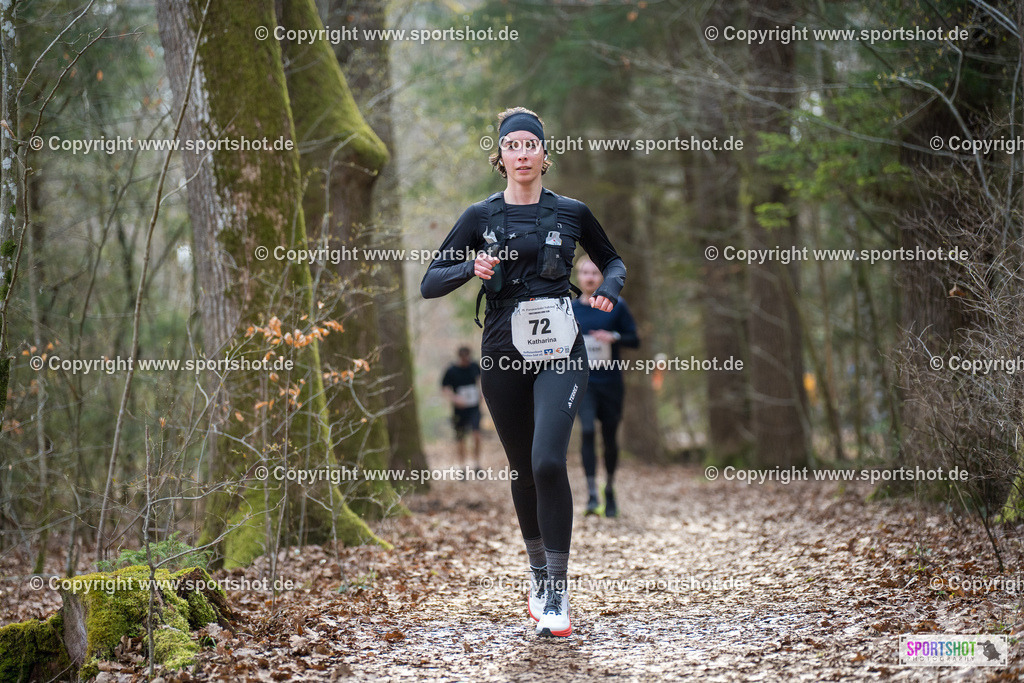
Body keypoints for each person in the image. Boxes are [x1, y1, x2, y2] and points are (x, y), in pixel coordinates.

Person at [421, 107, 626, 638]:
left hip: (560, 348)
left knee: (547, 461)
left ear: (544, 153)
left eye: (530, 144)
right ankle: (537, 573)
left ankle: (556, 591)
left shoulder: (572, 212)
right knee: (522, 469)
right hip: (501, 351)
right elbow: (430, 280)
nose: (522, 153)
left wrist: (606, 291)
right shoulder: (478, 216)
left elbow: (614, 260)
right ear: (502, 156)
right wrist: (471, 267)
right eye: (512, 145)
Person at [572, 256, 639, 518]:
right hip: (583, 383)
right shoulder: (570, 309)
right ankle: (591, 493)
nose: (589, 277)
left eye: (595, 273)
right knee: (587, 431)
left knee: (610, 438)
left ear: (602, 278)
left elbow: (635, 339)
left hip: (611, 383)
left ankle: (609, 489)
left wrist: (614, 336)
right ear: (579, 277)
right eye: (585, 273)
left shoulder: (617, 306)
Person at [441, 346, 482, 470]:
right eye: (464, 358)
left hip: (474, 407)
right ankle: (462, 466)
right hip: (459, 409)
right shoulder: (451, 370)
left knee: (477, 435)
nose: (466, 360)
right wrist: (455, 398)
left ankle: (477, 464)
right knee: (461, 438)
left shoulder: (474, 366)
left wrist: (482, 393)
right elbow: (445, 387)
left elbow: (481, 380)